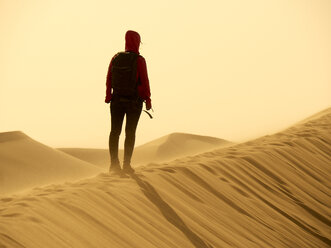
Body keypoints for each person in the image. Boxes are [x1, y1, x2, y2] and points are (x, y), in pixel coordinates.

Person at [105, 30, 152, 174]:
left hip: (116, 100)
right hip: (133, 102)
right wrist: (148, 100)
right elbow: (145, 81)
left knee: (115, 132)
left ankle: (114, 164)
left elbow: (109, 78)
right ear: (137, 42)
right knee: (130, 133)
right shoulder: (139, 60)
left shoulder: (116, 57)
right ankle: (126, 165)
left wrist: (108, 96)